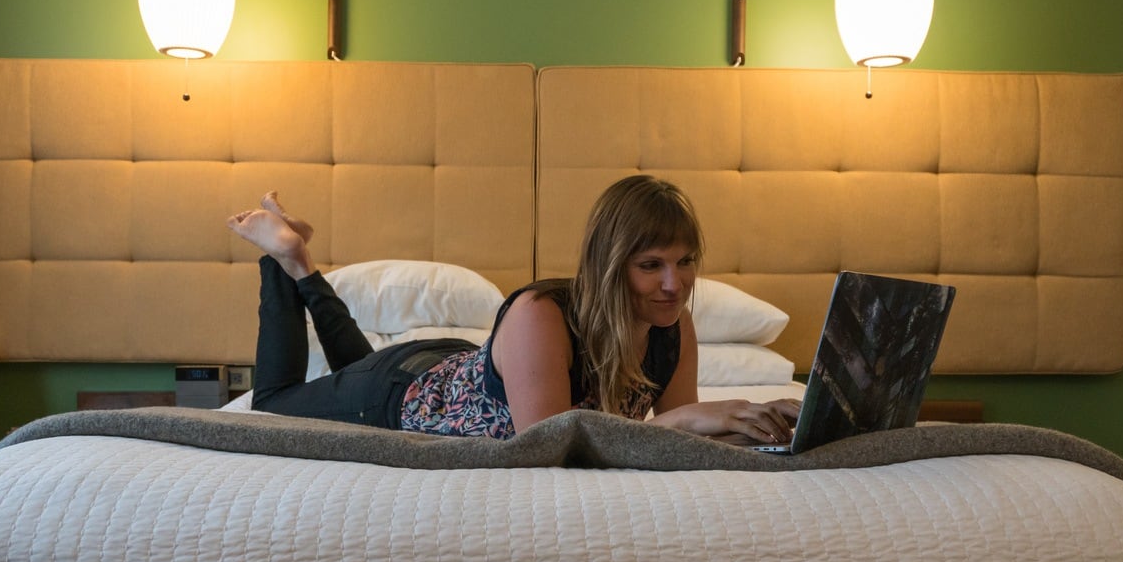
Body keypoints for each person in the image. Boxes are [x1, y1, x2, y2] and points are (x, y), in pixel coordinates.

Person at [226, 176, 799, 443]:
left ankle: (303, 266)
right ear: (609, 263)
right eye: (651, 265)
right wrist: (682, 419)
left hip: (445, 368)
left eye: (686, 261)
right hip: (400, 394)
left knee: (355, 363)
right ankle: (284, 260)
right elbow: (546, 447)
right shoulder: (540, 313)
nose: (674, 284)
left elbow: (679, 441)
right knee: (277, 402)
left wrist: (755, 423)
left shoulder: (673, 325)